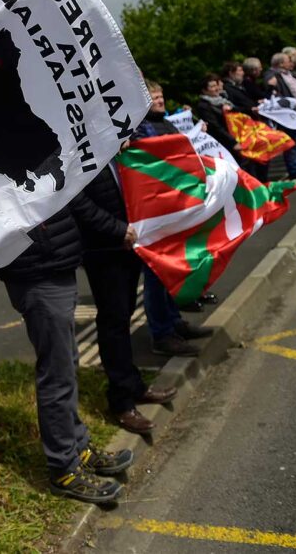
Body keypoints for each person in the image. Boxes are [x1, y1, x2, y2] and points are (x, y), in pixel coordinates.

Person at [0, 197, 136, 504]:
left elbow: (72, 197)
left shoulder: (37, 152)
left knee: (67, 364)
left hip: (57, 263)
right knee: (57, 373)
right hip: (36, 272)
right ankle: (63, 469)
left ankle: (77, 447)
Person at [77, 167, 178, 434]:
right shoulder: (80, 147)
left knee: (123, 317)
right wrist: (116, 230)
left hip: (128, 242)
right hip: (105, 248)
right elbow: (78, 201)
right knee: (114, 320)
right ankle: (121, 401)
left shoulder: (112, 144)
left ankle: (134, 386)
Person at [132, 81, 215, 354]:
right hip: (154, 213)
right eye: (154, 96)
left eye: (161, 95)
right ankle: (162, 334)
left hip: (173, 209)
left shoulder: (163, 122)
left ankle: (173, 322)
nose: (159, 100)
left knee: (169, 272)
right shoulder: (138, 127)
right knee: (156, 275)